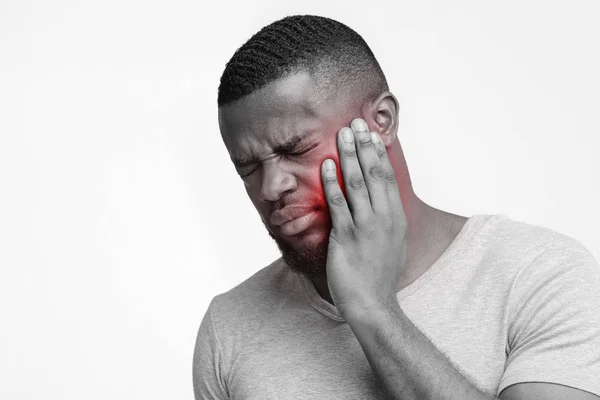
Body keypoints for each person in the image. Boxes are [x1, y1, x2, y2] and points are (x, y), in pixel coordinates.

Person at [193, 14, 600, 400]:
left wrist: (372, 308)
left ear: (381, 121)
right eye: (247, 168)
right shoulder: (230, 328)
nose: (271, 187)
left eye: (296, 148)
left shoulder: (540, 276)